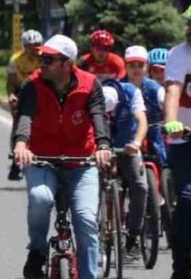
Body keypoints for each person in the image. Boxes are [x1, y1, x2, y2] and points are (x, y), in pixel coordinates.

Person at [12, 34, 112, 279]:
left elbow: (99, 116)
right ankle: (36, 250)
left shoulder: (89, 85)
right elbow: (24, 117)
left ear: (67, 63)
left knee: (86, 220)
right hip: (42, 159)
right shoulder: (32, 85)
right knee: (40, 198)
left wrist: (102, 145)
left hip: (81, 163)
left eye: (48, 59)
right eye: (41, 58)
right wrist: (21, 144)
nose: (41, 63)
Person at [98, 65, 148, 260]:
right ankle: (93, 228)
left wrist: (136, 143)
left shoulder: (131, 92)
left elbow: (142, 121)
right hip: (101, 148)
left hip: (127, 146)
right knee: (88, 185)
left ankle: (134, 235)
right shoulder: (93, 94)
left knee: (141, 187)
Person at [163, 8, 191, 279]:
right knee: (187, 198)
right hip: (185, 139)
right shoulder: (179, 54)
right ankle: (181, 264)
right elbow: (172, 90)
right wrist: (172, 121)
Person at [8, 30, 45, 181]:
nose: (33, 49)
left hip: (40, 90)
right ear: (24, 46)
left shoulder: (45, 58)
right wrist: (11, 95)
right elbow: (10, 82)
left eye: (36, 45)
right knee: (18, 125)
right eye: (29, 46)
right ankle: (16, 161)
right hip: (21, 92)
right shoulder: (16, 59)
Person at [125, 46, 166, 168]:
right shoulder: (119, 85)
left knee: (160, 149)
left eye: (140, 65)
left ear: (145, 67)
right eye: (132, 65)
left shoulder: (153, 86)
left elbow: (163, 99)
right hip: (127, 128)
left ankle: (165, 171)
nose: (136, 69)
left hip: (154, 126)